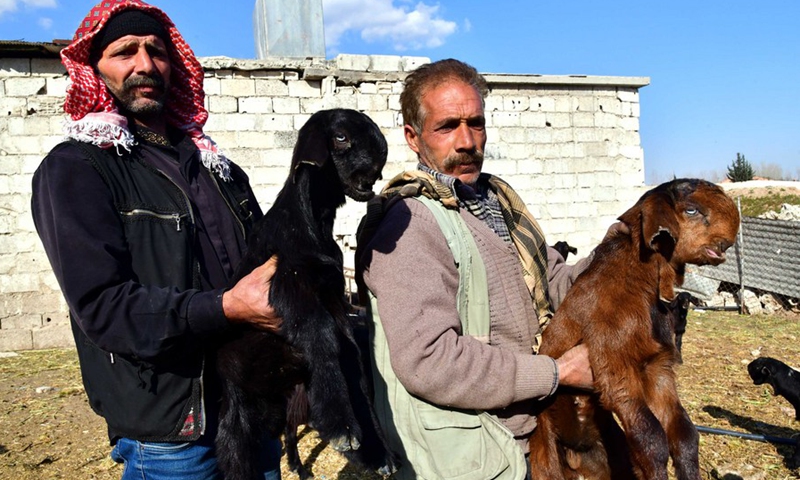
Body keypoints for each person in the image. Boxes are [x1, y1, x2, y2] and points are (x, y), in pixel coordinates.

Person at [31, 1, 283, 478]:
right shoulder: (78, 169)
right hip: (173, 429)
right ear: (93, 69)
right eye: (125, 52)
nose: (145, 65)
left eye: (157, 51)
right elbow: (104, 307)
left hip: (251, 407)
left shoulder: (219, 170)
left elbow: (265, 265)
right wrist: (225, 307)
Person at [357, 59, 596, 479]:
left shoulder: (498, 202)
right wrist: (556, 373)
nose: (467, 141)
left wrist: (625, 244)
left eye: (476, 123)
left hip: (534, 441)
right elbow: (431, 360)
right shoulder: (411, 223)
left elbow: (559, 283)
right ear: (413, 138)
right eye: (447, 126)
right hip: (476, 456)